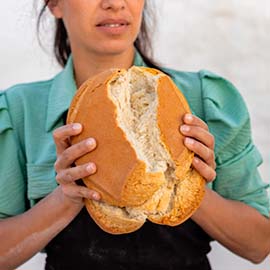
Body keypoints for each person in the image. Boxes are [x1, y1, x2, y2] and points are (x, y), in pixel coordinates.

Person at [0, 1, 269, 269]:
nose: (115, 3)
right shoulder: (18, 110)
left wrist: (185, 187)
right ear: (55, 5)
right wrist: (65, 199)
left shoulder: (207, 99)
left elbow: (259, 245)